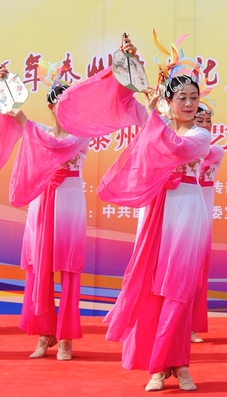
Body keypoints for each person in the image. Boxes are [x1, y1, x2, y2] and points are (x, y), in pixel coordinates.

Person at [56, 34, 211, 391]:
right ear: (169, 101)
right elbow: (126, 101)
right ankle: (157, 368)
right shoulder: (156, 121)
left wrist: (152, 115)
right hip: (155, 211)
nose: (189, 104)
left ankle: (180, 365)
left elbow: (174, 147)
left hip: (186, 213)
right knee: (151, 289)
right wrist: (128, 66)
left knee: (178, 290)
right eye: (182, 98)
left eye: (194, 97)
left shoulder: (200, 136)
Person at [0, 66, 89, 361]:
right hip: (41, 201)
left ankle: (66, 338)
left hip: (69, 204)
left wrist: (25, 122)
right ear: (51, 106)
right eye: (60, 103)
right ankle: (44, 332)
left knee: (68, 269)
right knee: (40, 269)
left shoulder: (81, 135)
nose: (66, 109)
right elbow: (11, 121)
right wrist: (5, 86)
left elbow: (54, 146)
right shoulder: (41, 130)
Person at [190, 104, 224, 344]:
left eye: (207, 122)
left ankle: (191, 326)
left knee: (196, 273)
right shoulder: (182, 148)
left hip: (201, 219)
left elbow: (201, 152)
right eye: (198, 121)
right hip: (179, 215)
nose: (204, 126)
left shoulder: (216, 151)